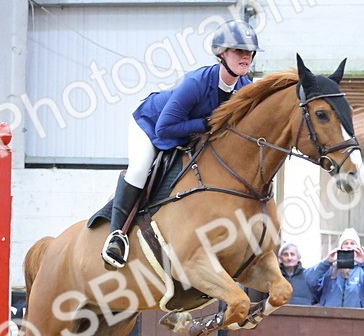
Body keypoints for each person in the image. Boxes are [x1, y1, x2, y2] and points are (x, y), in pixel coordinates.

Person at [101, 21, 262, 269]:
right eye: (239, 51)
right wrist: (207, 123)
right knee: (139, 168)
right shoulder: (196, 82)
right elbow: (164, 129)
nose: (246, 57)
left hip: (189, 135)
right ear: (221, 53)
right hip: (150, 124)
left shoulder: (245, 90)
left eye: (249, 52)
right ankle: (117, 235)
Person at [308, 228, 364, 309]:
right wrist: (325, 262)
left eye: (352, 243)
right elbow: (309, 279)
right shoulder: (330, 271)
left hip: (358, 319)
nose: (349, 246)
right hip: (331, 318)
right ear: (341, 247)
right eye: (346, 243)